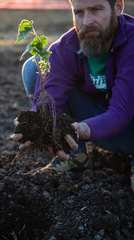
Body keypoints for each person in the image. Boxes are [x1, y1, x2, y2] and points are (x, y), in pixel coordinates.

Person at [13, 0, 134, 192]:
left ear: (118, 7)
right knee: (35, 66)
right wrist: (37, 121)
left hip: (128, 127)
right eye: (78, 12)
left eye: (96, 10)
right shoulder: (65, 48)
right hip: (101, 129)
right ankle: (76, 158)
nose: (86, 21)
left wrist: (84, 129)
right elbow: (50, 98)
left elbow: (122, 111)